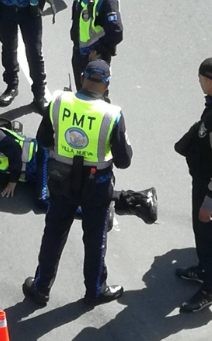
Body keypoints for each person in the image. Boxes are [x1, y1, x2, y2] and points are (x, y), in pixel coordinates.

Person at [23, 60, 132, 305]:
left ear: (82, 77)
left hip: (61, 180)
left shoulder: (59, 101)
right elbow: (124, 160)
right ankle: (95, 291)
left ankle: (40, 289)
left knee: (54, 233)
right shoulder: (112, 114)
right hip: (97, 185)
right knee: (95, 238)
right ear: (107, 84)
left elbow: (42, 139)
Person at [0, 125, 157, 225]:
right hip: (45, 171)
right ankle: (139, 199)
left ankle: (95, 213)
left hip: (42, 156)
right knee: (77, 188)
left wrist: (12, 182)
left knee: (43, 200)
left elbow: (15, 154)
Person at [174, 57, 212, 313]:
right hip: (202, 181)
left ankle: (209, 288)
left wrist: (209, 203)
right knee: (201, 234)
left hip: (210, 189)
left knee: (209, 235)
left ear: (210, 81)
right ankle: (203, 269)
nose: (198, 82)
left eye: (201, 78)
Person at [0, 0, 49, 112]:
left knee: (34, 52)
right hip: (5, 8)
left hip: (30, 10)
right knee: (8, 48)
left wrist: (38, 6)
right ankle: (12, 86)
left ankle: (39, 95)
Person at [71, 0, 123, 91]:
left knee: (95, 98)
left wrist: (98, 51)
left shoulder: (108, 2)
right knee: (81, 93)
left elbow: (116, 31)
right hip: (79, 53)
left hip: (95, 59)